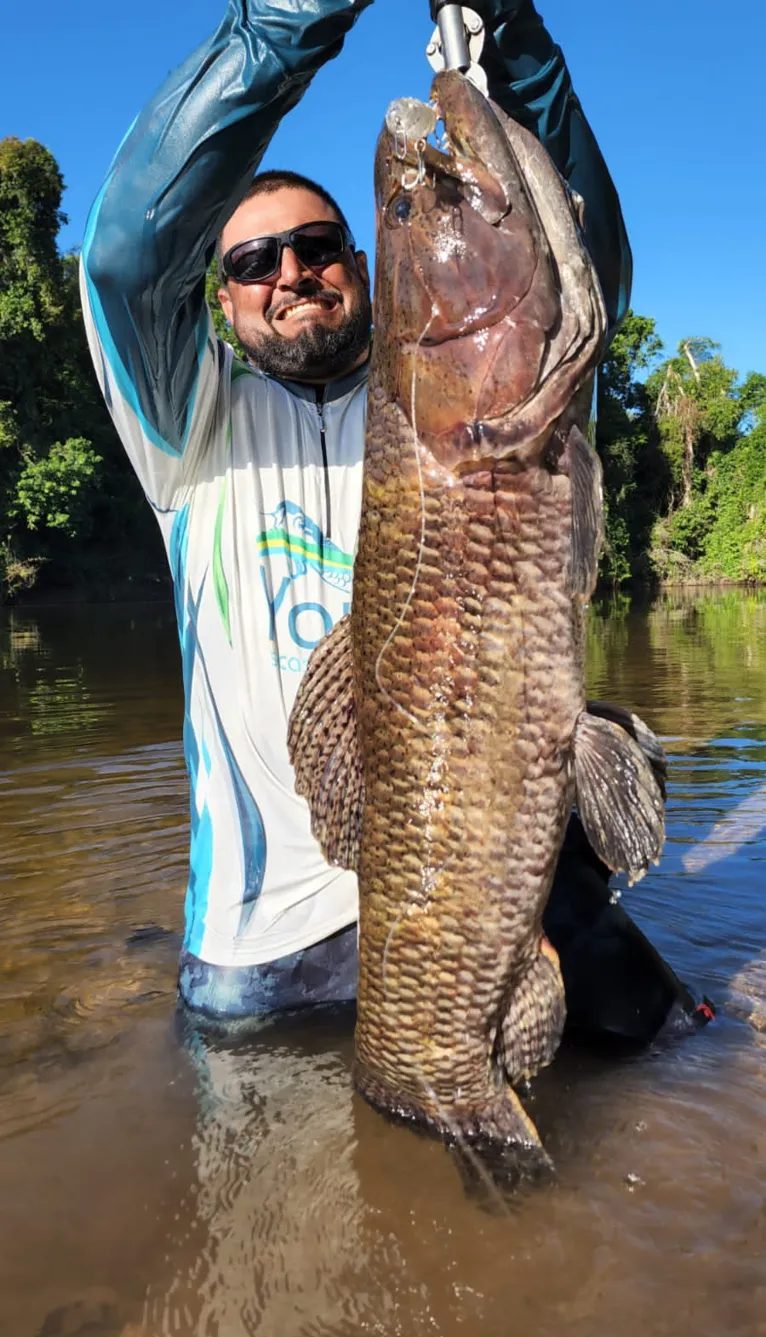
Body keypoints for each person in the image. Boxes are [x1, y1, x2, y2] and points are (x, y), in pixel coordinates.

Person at [81, 0, 663, 1025]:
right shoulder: (188, 422)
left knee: (633, 1043)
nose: (290, 275)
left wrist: (514, 44)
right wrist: (283, 26)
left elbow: (577, 267)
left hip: (483, 879)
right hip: (262, 950)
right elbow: (128, 253)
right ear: (216, 301)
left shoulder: (473, 391)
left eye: (316, 246)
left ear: (358, 267)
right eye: (252, 263)